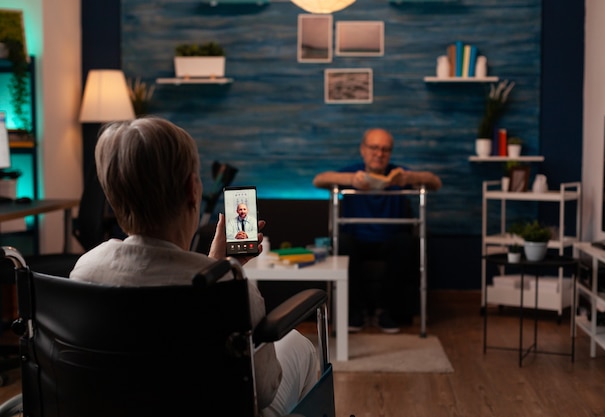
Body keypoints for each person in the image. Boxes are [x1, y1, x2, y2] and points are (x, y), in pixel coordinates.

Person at [69, 117, 318, 417]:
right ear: (192, 189)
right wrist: (227, 272)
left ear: (113, 195)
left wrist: (215, 264)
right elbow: (264, 390)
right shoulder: (233, 288)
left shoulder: (85, 271)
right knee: (299, 345)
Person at [312, 128, 442, 334]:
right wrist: (352, 181)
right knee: (342, 242)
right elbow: (319, 179)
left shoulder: (397, 172)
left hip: (389, 241)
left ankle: (385, 311)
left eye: (385, 149)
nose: (379, 154)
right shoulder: (353, 171)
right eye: (374, 148)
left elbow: (435, 182)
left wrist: (407, 179)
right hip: (357, 241)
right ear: (363, 149)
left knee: (405, 242)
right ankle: (356, 311)